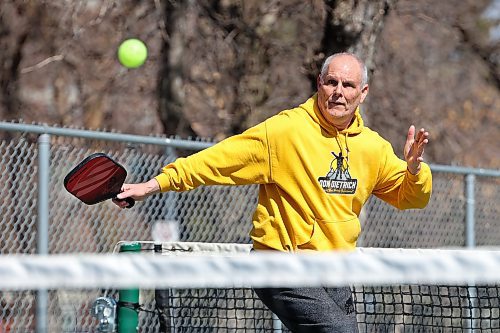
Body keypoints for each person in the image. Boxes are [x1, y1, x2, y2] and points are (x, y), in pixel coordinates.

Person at [113, 52, 432, 332]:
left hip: (336, 267)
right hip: (280, 264)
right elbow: (216, 162)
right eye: (331, 82)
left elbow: (411, 197)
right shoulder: (285, 131)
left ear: (362, 93)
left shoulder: (372, 147)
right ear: (319, 83)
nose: (338, 92)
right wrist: (153, 185)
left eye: (347, 86)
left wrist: (415, 170)